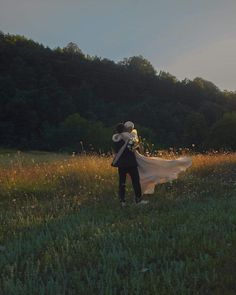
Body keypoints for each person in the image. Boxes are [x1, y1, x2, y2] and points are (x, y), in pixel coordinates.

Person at [123, 121, 192, 194]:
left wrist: (131, 148)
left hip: (133, 156)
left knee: (148, 166)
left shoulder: (131, 136)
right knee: (143, 170)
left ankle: (139, 192)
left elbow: (131, 146)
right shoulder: (127, 136)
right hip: (130, 157)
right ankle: (138, 193)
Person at [111, 123, 149, 207]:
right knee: (136, 182)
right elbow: (133, 148)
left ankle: (122, 201)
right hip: (131, 163)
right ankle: (138, 200)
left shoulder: (115, 138)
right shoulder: (130, 137)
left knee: (122, 182)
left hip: (121, 163)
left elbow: (115, 150)